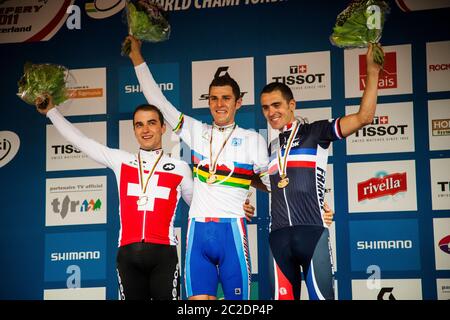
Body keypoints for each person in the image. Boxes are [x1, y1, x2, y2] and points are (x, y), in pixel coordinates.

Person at [127, 36, 335, 300]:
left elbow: (278, 182)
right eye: (213, 98)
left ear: (238, 102)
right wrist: (137, 58)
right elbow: (157, 99)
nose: (219, 104)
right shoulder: (195, 132)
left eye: (226, 98)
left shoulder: (254, 140)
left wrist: (317, 205)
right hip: (197, 229)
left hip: (233, 232)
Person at [34, 96, 255, 300]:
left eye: (151, 123)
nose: (145, 129)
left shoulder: (179, 168)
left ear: (162, 127)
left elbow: (203, 203)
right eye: (139, 124)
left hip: (164, 255)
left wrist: (237, 206)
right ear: (134, 130)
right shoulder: (120, 161)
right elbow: (81, 141)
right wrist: (52, 112)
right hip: (128, 255)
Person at [260, 43, 382, 300]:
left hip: (312, 234)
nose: (271, 112)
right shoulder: (269, 146)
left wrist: (372, 72)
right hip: (278, 239)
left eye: (276, 105)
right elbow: (268, 181)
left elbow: (364, 117)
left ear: (291, 104)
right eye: (266, 107)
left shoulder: (315, 132)